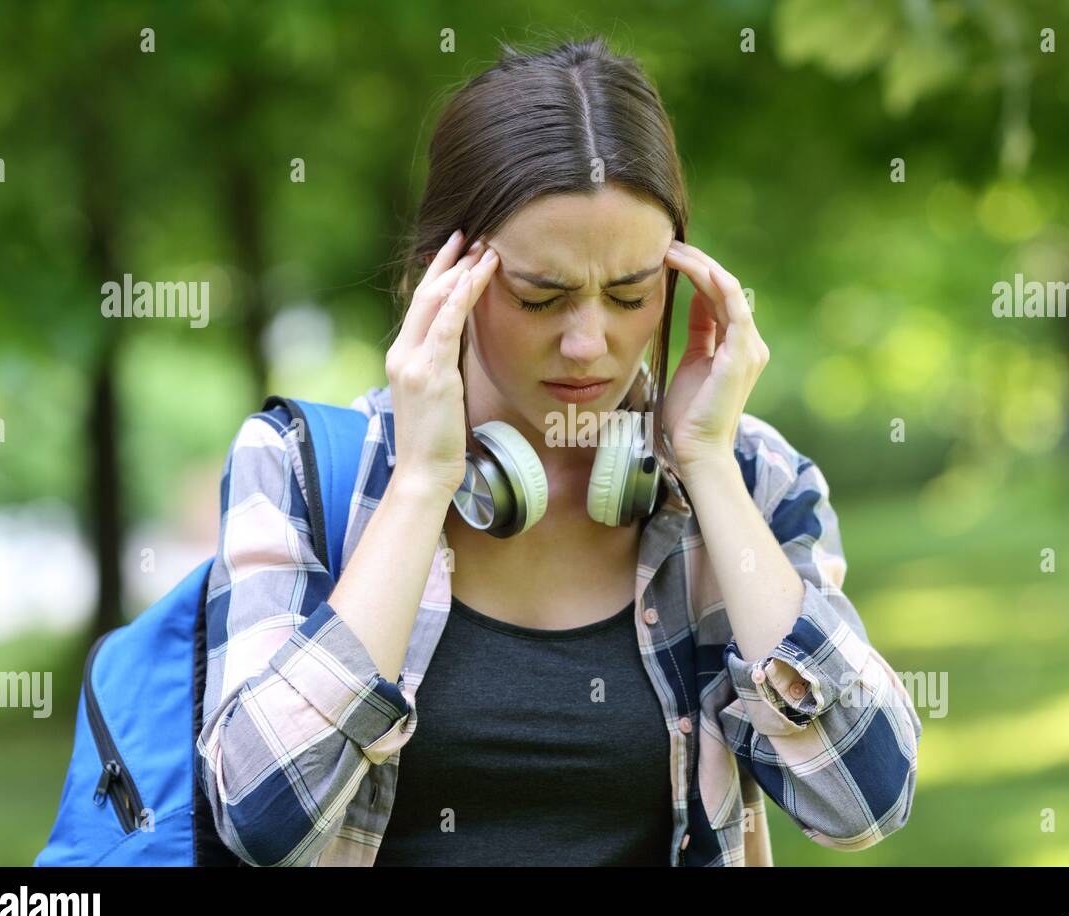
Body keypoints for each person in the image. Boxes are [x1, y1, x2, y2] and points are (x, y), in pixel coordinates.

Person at [196, 35, 921, 867]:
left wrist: (709, 467)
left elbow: (864, 802)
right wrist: (421, 486)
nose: (590, 343)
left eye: (631, 294)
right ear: (446, 274)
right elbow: (258, 818)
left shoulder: (754, 478)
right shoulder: (296, 467)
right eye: (542, 297)